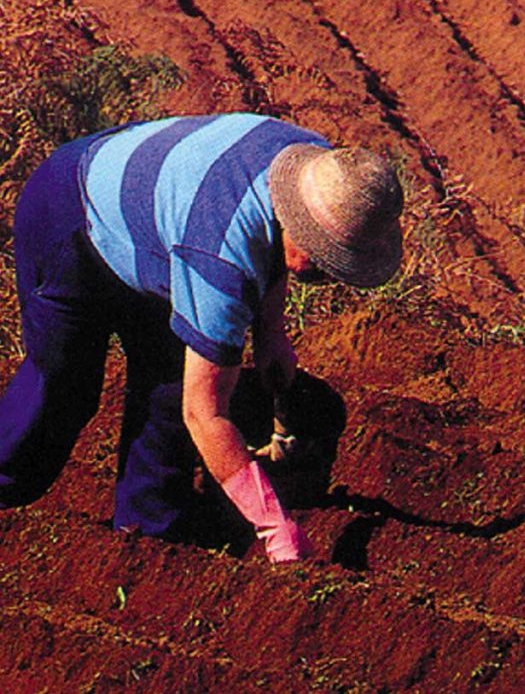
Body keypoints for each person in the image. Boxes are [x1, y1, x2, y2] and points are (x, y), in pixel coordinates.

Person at [0, 112, 403, 562]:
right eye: (325, 259)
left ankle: (147, 539)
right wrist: (274, 526)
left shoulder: (324, 173)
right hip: (70, 212)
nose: (328, 275)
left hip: (163, 225)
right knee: (64, 388)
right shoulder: (220, 260)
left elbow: (269, 240)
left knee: (169, 386)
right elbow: (205, 414)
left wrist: (271, 333)